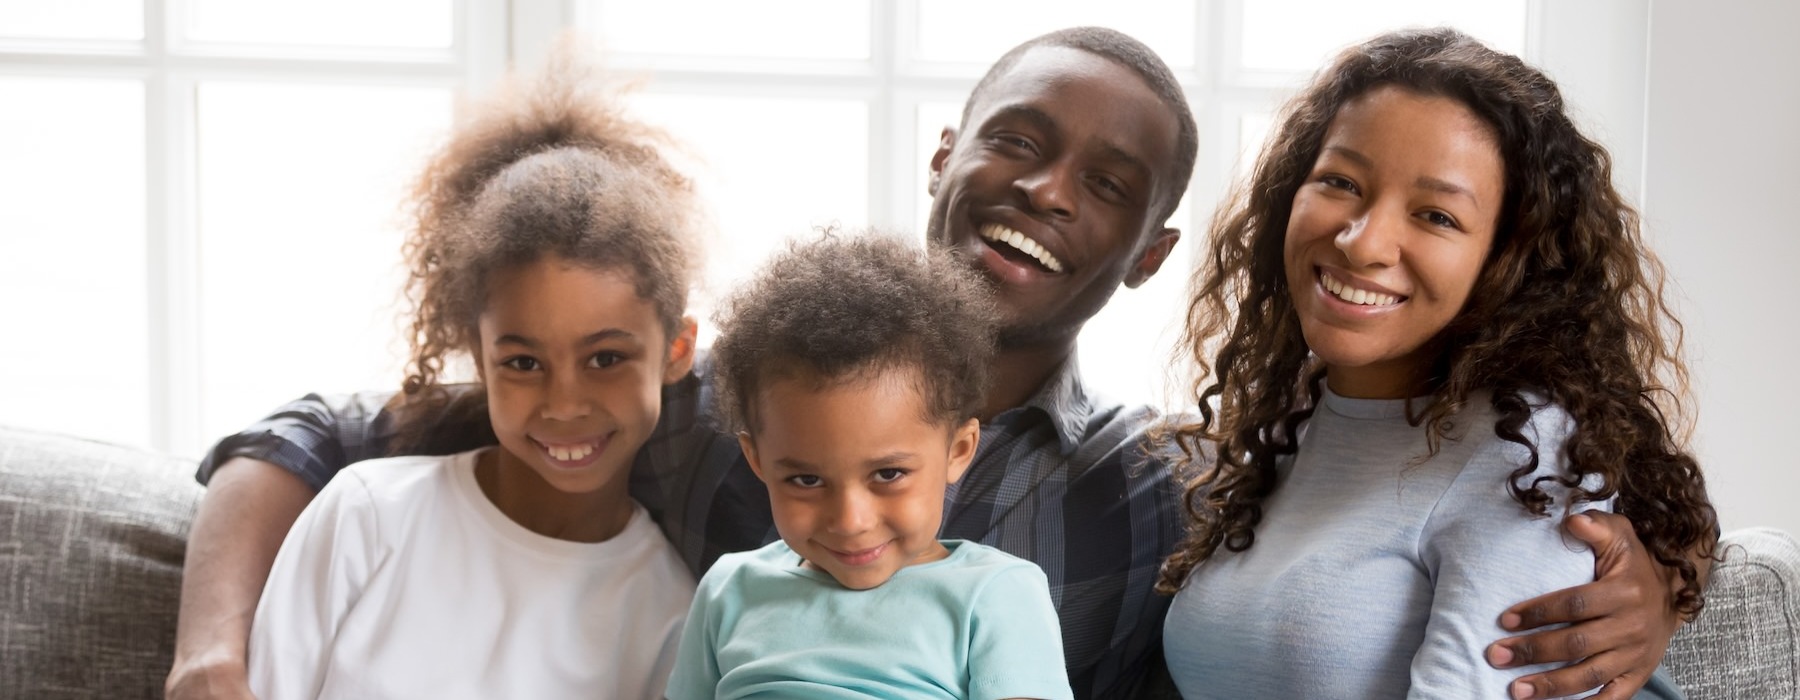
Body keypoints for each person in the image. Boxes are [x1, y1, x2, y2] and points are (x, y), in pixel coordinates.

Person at [167, 27, 1693, 700]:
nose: (1044, 190)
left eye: (1105, 183)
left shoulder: (1165, 492)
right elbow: (327, 433)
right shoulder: (703, 399)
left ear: (1152, 255)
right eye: (1018, 144)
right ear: (946, 154)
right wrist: (216, 655)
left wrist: (1664, 576)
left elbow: (1444, 561)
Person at [1155, 28, 1717, 699]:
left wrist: (1680, 575)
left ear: (1510, 260)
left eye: (1437, 216)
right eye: (1340, 181)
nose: (1363, 242)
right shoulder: (1291, 425)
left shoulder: (1523, 455)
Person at [243, 50, 702, 699]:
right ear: (475, 353)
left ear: (677, 350)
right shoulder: (368, 516)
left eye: (605, 358)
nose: (564, 402)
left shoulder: (672, 618)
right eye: (523, 363)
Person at [665, 234, 1073, 699]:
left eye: (888, 474)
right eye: (806, 479)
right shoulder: (729, 589)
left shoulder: (997, 593)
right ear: (757, 460)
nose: (850, 521)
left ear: (958, 450)